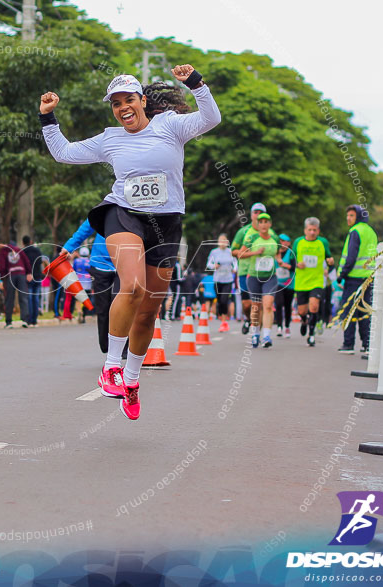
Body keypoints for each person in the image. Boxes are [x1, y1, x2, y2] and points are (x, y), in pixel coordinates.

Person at [41, 64, 221, 419]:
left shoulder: (169, 125)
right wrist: (48, 118)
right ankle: (110, 367)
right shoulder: (110, 138)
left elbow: (211, 118)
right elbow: (64, 153)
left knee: (149, 311)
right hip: (123, 214)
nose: (123, 107)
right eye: (116, 103)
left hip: (166, 223)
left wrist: (197, 84)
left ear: (142, 100)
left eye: (128, 100)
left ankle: (132, 380)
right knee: (133, 286)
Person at [62, 220, 127, 357]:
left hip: (124, 264)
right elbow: (85, 228)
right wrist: (69, 247)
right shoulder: (104, 209)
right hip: (100, 264)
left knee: (121, 304)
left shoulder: (133, 208)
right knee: (103, 308)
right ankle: (107, 347)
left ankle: (124, 347)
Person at [232, 203, 278, 335]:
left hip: (265, 274)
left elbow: (277, 251)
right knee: (248, 305)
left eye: (260, 212)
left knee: (263, 304)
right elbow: (234, 251)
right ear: (252, 215)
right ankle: (249, 320)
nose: (257, 215)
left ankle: (261, 333)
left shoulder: (272, 234)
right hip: (246, 272)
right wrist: (253, 252)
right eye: (255, 212)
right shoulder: (244, 232)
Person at [337, 205, 377, 354]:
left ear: (359, 216)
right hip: (368, 278)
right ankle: (367, 344)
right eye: (347, 215)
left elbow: (351, 256)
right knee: (365, 311)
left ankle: (348, 344)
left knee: (349, 311)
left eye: (352, 215)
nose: (348, 218)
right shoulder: (371, 232)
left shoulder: (355, 231)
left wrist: (342, 275)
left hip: (353, 278)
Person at [239, 213, 282, 348]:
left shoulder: (275, 238)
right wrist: (255, 253)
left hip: (270, 277)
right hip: (254, 277)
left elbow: (278, 252)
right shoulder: (252, 238)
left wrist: (279, 260)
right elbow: (240, 254)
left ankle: (267, 336)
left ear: (270, 224)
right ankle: (256, 333)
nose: (263, 224)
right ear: (258, 224)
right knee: (256, 306)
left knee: (268, 305)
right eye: (261, 222)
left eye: (266, 222)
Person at [292, 218, 333, 347]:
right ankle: (304, 321)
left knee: (314, 306)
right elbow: (291, 259)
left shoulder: (323, 242)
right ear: (305, 230)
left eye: (314, 230)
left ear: (318, 231)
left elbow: (329, 258)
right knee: (302, 311)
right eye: (309, 230)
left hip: (317, 281)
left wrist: (331, 262)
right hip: (301, 282)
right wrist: (297, 264)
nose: (312, 232)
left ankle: (311, 335)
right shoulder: (298, 242)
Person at [0, 239, 32, 328]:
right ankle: (25, 320)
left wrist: (2, 279)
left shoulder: (2, 251)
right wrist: (28, 272)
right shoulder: (17, 249)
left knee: (9, 298)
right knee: (23, 297)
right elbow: (26, 261)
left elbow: (2, 266)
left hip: (10, 276)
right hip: (21, 274)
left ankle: (9, 322)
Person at [205, 234, 236, 332]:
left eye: (224, 240)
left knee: (224, 299)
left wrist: (234, 269)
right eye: (220, 240)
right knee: (219, 301)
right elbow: (208, 264)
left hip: (228, 279)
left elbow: (235, 263)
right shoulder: (214, 252)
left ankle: (224, 321)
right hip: (217, 279)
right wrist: (214, 266)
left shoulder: (231, 252)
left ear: (227, 242)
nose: (222, 242)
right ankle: (223, 319)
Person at [274, 234, 295, 338]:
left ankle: (287, 326)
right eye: (280, 241)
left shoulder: (291, 254)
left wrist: (284, 265)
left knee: (287, 305)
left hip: (289, 283)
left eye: (284, 241)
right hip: (277, 283)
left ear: (288, 243)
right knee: (278, 303)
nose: (282, 243)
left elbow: (294, 267)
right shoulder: (274, 253)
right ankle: (279, 326)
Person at [21, 236, 45, 326]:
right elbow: (40, 262)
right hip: (37, 276)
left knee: (29, 298)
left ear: (23, 243)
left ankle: (30, 319)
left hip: (28, 276)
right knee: (36, 298)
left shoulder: (23, 252)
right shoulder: (37, 250)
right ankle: (35, 320)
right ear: (31, 241)